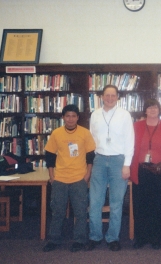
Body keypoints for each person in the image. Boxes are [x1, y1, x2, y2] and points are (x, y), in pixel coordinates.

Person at [86, 84, 135, 252]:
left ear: (117, 97)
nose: (110, 98)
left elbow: (130, 141)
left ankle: (112, 237)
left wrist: (126, 164)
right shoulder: (95, 114)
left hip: (118, 161)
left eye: (113, 95)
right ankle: (95, 236)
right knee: (95, 202)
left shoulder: (124, 115)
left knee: (116, 203)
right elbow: (91, 139)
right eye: (107, 95)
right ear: (102, 96)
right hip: (99, 159)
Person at [42, 104, 96, 252]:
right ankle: (54, 240)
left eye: (73, 116)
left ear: (78, 118)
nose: (70, 119)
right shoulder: (56, 133)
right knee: (57, 211)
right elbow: (50, 157)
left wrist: (87, 175)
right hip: (60, 178)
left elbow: (90, 157)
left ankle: (79, 240)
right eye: (67, 116)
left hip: (79, 178)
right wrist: (52, 176)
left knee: (80, 212)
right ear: (63, 117)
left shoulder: (85, 133)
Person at [130, 99, 161, 250]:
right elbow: (129, 147)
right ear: (145, 111)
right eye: (149, 107)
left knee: (158, 206)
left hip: (160, 171)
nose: (153, 110)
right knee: (140, 206)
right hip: (141, 170)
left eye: (155, 107)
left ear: (159, 110)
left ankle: (156, 238)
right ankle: (140, 238)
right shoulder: (136, 126)